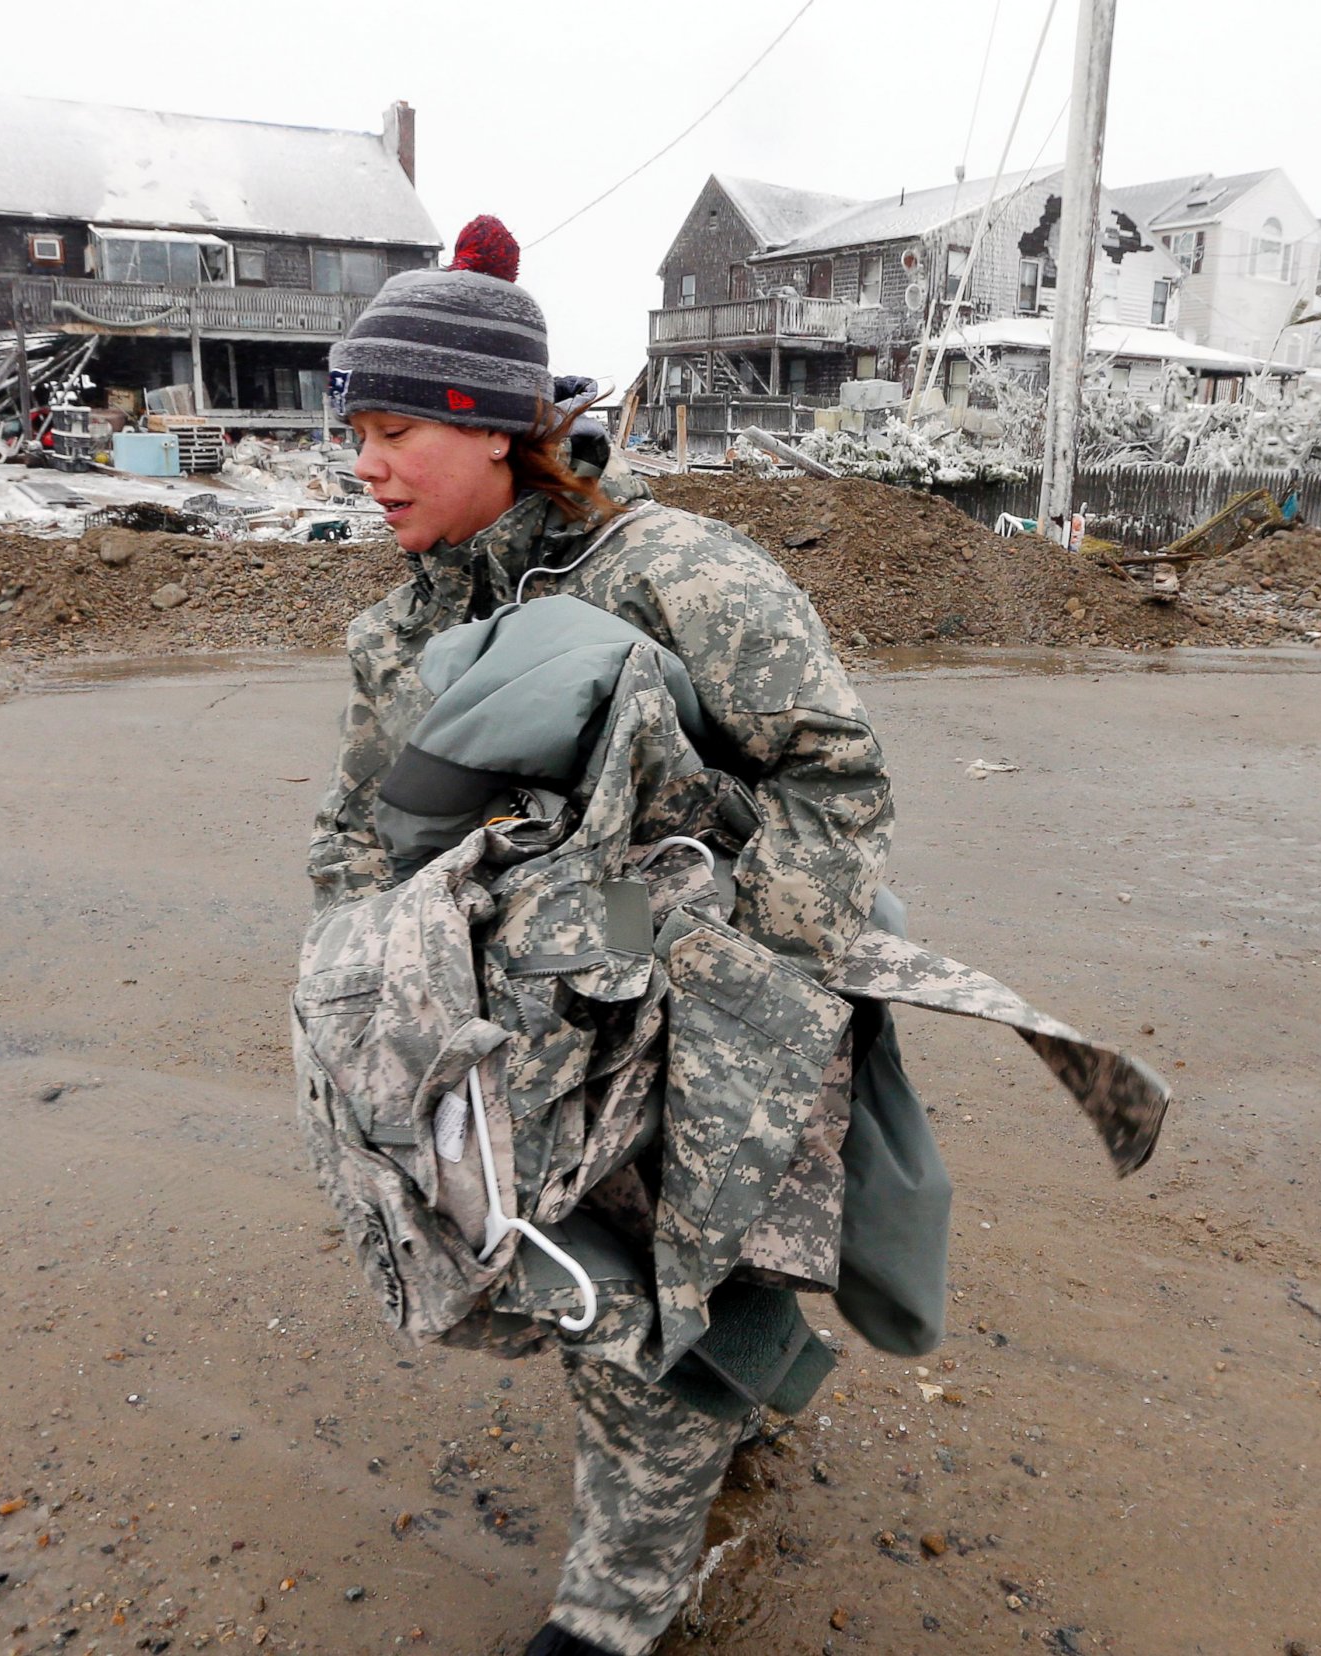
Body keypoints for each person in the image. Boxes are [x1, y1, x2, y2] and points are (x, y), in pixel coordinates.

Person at [306, 216, 894, 1656]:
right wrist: (360, 979)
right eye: (355, 431)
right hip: (515, 1007)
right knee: (550, 1260)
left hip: (689, 968)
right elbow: (359, 826)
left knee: (649, 1272)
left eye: (394, 430)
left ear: (498, 430)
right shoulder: (399, 632)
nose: (363, 463)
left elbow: (836, 778)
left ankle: (616, 1608)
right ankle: (744, 1387)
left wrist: (734, 966)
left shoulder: (677, 572)